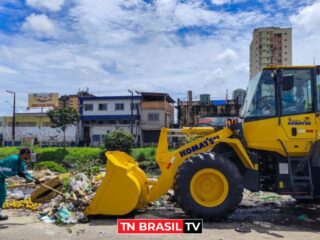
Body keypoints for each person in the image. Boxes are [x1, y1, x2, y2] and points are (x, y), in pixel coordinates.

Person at [0, 147, 40, 221]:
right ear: (24, 154)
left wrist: (34, 179)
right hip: (1, 175)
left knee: (2, 194)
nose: (29, 156)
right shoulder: (13, 159)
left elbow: (24, 172)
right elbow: (6, 170)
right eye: (29, 154)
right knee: (2, 193)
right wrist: (18, 173)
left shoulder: (20, 161)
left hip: (1, 178)